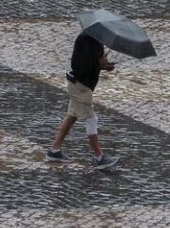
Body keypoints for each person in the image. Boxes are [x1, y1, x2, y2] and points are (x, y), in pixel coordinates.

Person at [47, 32, 120, 169]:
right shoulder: (88, 40)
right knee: (92, 119)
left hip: (79, 85)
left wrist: (104, 65)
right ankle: (99, 157)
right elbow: (83, 65)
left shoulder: (93, 39)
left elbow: (91, 63)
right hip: (80, 87)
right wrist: (100, 63)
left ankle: (54, 150)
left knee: (72, 116)